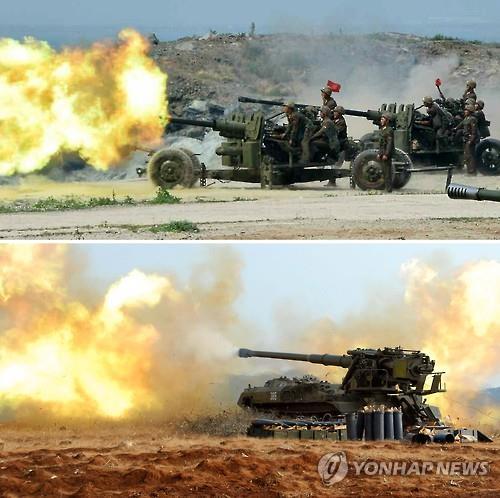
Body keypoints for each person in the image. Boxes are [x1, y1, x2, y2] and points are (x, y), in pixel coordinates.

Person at [456, 104, 480, 175]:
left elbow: (474, 131)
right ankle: (469, 170)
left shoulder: (472, 119)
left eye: (466, 110)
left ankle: (472, 171)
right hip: (465, 139)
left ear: (470, 111)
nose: (465, 111)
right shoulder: (466, 118)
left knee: (470, 155)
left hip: (469, 139)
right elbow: (460, 125)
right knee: (466, 156)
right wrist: (454, 129)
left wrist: (470, 140)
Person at [378, 113, 395, 193]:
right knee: (383, 171)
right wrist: (379, 153)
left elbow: (389, 143)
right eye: (381, 119)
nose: (381, 121)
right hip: (382, 153)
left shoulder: (389, 130)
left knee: (387, 172)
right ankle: (385, 187)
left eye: (383, 119)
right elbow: (381, 144)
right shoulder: (382, 130)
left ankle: (389, 189)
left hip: (386, 154)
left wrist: (386, 154)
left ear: (387, 121)